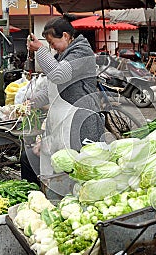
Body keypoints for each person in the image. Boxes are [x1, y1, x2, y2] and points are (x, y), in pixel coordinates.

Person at [21, 15, 105, 185]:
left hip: (81, 122)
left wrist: (41, 50)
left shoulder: (81, 51)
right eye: (49, 44)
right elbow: (51, 88)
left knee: (79, 169)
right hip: (64, 122)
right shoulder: (63, 55)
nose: (52, 48)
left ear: (66, 36)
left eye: (52, 43)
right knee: (40, 162)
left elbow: (59, 75)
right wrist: (31, 102)